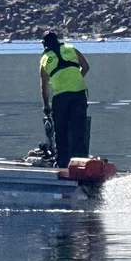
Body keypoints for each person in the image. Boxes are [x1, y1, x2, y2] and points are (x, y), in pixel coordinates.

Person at [39, 30, 90, 168]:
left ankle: (62, 162)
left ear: (44, 45)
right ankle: (81, 161)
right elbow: (85, 67)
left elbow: (44, 87)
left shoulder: (44, 59)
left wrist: (45, 104)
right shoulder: (71, 49)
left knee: (60, 130)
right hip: (79, 93)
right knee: (79, 127)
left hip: (60, 97)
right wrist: (76, 79)